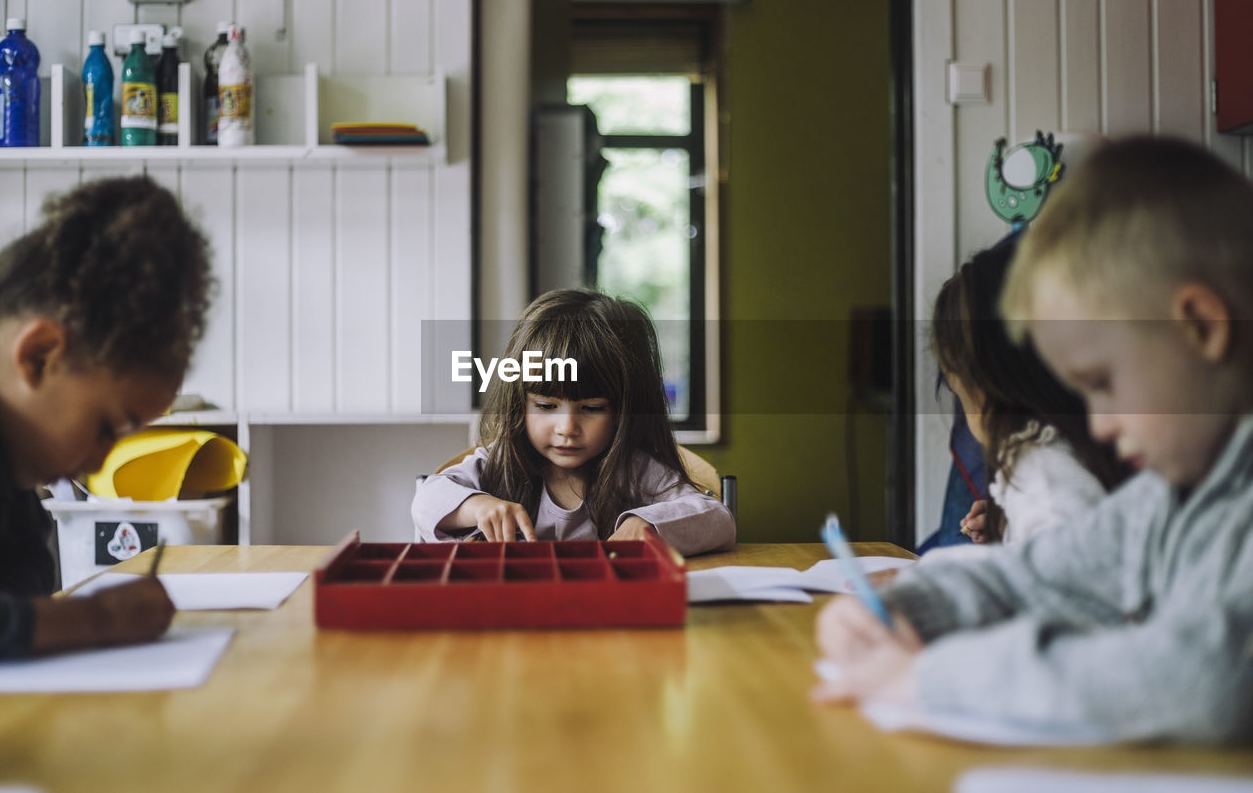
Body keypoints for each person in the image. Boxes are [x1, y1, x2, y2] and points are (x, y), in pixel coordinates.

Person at [814, 136, 1253, 743]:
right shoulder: (1164, 499)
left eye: (1103, 383)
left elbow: (1206, 679)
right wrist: (893, 611)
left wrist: (931, 677)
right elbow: (1028, 576)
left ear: (1202, 327)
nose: (1097, 425)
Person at [0, 175, 213, 660]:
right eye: (107, 428)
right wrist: (94, 619)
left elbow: (23, 579)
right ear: (40, 356)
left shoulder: (3, 459)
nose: (100, 462)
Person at [412, 289, 735, 556]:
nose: (567, 428)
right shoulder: (498, 464)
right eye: (546, 405)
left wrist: (649, 524)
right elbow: (426, 499)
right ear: (518, 402)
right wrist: (477, 506)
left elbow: (718, 518)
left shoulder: (636, 472)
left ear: (625, 410)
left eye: (592, 408)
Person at [928, 237, 1128, 548]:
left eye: (958, 393)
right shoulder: (1045, 464)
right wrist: (1004, 531)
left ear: (984, 388)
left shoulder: (1044, 483)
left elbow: (1057, 589)